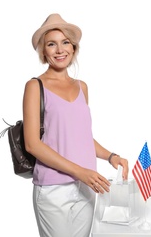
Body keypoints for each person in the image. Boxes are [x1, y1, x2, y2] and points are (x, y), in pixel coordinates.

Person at [23, 13, 129, 237]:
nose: (60, 50)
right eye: (52, 44)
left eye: (65, 43)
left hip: (87, 186)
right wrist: (80, 172)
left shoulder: (82, 87)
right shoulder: (35, 86)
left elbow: (80, 136)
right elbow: (32, 144)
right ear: (44, 51)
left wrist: (112, 156)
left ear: (73, 48)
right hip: (53, 189)